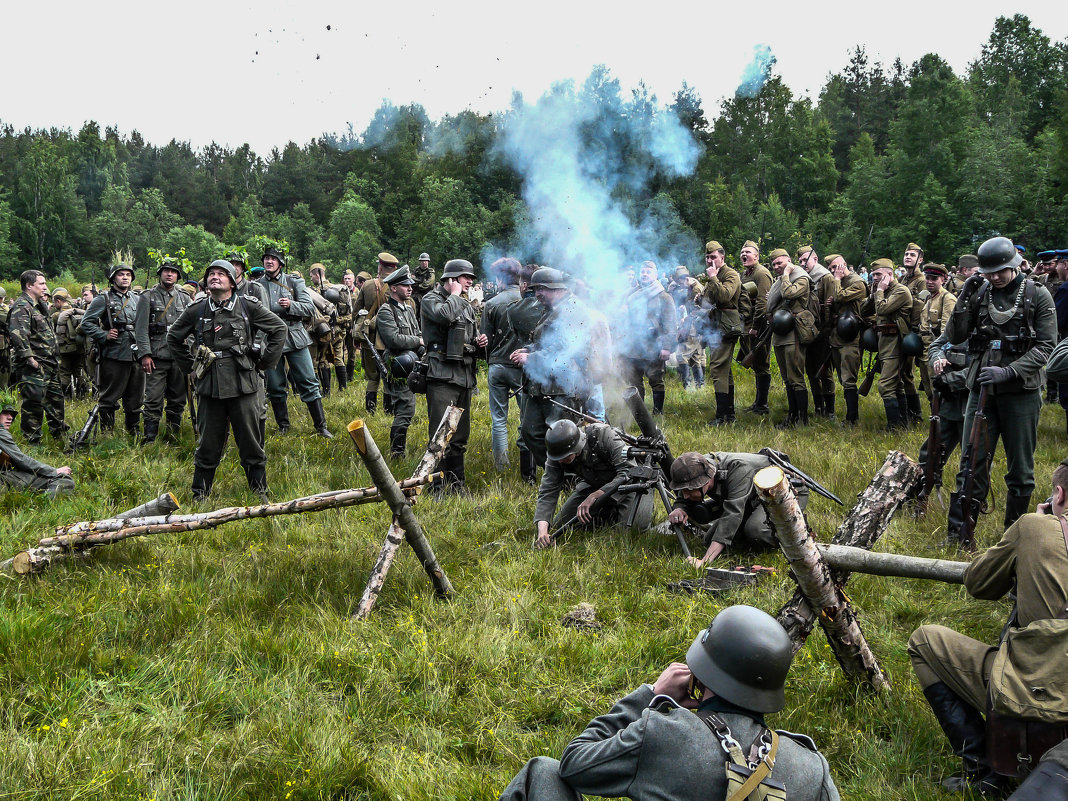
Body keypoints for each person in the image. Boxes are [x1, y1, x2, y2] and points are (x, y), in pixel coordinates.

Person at [498, 605, 840, 801]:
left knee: (542, 771)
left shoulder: (662, 733)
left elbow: (574, 763)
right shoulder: (813, 768)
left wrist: (650, 695)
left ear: (700, 677)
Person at [908, 459, 1068, 796]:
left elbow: (978, 583)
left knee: (924, 641)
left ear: (1058, 493)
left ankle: (983, 771)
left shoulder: (1035, 527)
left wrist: (1037, 526)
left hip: (1037, 692)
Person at [943, 236, 1056, 541]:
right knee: (971, 461)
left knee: (1021, 471)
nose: (994, 277)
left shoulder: (1037, 294)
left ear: (1016, 265)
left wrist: (1009, 371)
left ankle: (1013, 537)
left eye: (1000, 271)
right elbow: (955, 336)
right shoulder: (979, 293)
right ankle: (960, 533)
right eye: (989, 272)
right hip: (982, 391)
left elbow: (1047, 346)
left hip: (1021, 392)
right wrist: (964, 297)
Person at [167, 260, 288, 501]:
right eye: (211, 273)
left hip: (243, 383)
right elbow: (173, 338)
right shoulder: (198, 309)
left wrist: (264, 363)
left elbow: (279, 329)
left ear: (232, 281)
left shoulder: (247, 306)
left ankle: (259, 491)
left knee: (251, 442)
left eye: (221, 274)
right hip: (210, 386)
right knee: (208, 443)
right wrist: (190, 368)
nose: (215, 277)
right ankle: (200, 494)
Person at [511, 268, 609, 472]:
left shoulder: (573, 310)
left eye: (542, 289)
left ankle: (569, 477)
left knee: (562, 436)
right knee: (530, 433)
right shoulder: (552, 309)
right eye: (535, 289)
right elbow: (547, 343)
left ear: (558, 289)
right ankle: (557, 472)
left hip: (564, 386)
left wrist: (531, 358)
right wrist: (529, 349)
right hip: (541, 386)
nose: (537, 294)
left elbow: (568, 349)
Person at [666, 451, 809, 569]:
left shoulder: (739, 470)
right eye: (682, 491)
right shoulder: (697, 467)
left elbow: (732, 514)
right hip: (751, 498)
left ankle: (795, 526)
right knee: (709, 540)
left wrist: (705, 561)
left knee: (755, 531)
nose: (685, 495)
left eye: (689, 491)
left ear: (705, 482)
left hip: (782, 494)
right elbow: (686, 488)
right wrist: (680, 507)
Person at [421, 258, 488, 491]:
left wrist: (479, 343)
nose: (470, 281)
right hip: (441, 376)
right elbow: (445, 316)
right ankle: (435, 487)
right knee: (440, 435)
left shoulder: (465, 304)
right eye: (465, 277)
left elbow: (470, 337)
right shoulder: (431, 300)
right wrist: (456, 295)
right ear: (450, 279)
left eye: (470, 278)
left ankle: (457, 484)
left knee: (459, 437)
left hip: (463, 376)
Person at [532, 419, 647, 549]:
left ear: (576, 448)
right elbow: (548, 490)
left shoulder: (604, 436)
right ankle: (605, 513)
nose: (560, 462)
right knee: (561, 525)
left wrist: (595, 496)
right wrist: (542, 532)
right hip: (594, 483)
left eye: (565, 458)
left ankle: (611, 511)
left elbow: (628, 473)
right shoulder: (558, 453)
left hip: (632, 485)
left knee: (629, 533)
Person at [255, 246, 332, 438]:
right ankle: (283, 426)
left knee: (308, 381)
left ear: (281, 263)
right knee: (275, 385)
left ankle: (321, 426)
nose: (269, 261)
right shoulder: (256, 285)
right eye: (266, 258)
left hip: (294, 335)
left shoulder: (294, 281)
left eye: (273, 259)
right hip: (270, 338)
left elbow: (308, 308)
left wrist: (291, 305)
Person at [79, 263, 145, 436]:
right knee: (109, 397)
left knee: (136, 397)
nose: (125, 277)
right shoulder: (103, 299)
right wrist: (103, 334)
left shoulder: (137, 299)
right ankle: (107, 434)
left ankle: (134, 433)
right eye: (121, 274)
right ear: (113, 278)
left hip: (136, 353)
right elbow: (86, 323)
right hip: (114, 353)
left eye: (128, 275)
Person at [134, 257, 192, 442]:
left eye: (173, 272)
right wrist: (145, 354)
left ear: (178, 276)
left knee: (177, 399)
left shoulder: (184, 297)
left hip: (179, 357)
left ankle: (172, 435)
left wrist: (188, 346)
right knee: (153, 399)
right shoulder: (147, 296)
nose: (169, 274)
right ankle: (150, 438)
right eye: (166, 271)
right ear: (160, 274)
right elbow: (141, 329)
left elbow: (191, 327)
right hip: (157, 356)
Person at [7, 270, 67, 444]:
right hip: (35, 365)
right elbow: (18, 335)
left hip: (50, 363)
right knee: (34, 404)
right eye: (41, 283)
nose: (45, 287)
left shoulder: (38, 305)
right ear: (29, 285)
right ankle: (33, 442)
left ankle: (60, 436)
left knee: (56, 400)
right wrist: (30, 359)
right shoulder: (22, 306)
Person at [480, 258, 528, 472]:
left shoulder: (491, 304)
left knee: (499, 419)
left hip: (497, 366)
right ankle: (528, 463)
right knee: (526, 416)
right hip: (521, 367)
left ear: (500, 278)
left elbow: (485, 341)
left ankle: (502, 466)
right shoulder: (526, 300)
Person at [375, 265, 423, 458]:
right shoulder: (386, 312)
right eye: (405, 285)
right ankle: (397, 453)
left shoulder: (409, 309)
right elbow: (393, 339)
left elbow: (417, 332)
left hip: (413, 362)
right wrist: (418, 341)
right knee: (405, 408)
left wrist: (422, 343)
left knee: (407, 408)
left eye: (410, 284)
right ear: (393, 288)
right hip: (398, 366)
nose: (410, 288)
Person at [617, 261, 676, 415]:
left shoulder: (664, 297)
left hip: (653, 345)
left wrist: (666, 347)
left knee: (656, 380)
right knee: (635, 381)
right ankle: (639, 412)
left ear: (655, 275)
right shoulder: (631, 295)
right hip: (633, 345)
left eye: (648, 272)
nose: (644, 274)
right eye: (642, 271)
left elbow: (670, 324)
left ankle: (658, 412)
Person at [862, 258, 913, 430]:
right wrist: (873, 294)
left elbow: (882, 309)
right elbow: (863, 310)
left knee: (885, 385)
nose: (874, 277)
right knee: (896, 384)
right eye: (873, 274)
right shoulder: (880, 291)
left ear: (890, 274)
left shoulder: (900, 291)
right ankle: (902, 425)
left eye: (878, 274)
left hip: (895, 343)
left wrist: (880, 292)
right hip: (883, 343)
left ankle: (893, 426)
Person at [765, 248, 813, 427]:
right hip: (779, 332)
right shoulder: (778, 281)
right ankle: (792, 416)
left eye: (780, 263)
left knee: (796, 377)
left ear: (789, 261)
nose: (777, 267)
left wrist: (786, 274)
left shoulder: (801, 277)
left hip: (794, 332)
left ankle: (802, 419)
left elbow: (789, 293)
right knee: (786, 378)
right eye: (774, 264)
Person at [699, 242, 742, 424]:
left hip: (726, 326)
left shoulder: (730, 274)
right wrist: (700, 298)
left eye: (714, 257)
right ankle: (729, 414)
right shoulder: (712, 275)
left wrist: (714, 278)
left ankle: (722, 416)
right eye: (708, 257)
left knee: (717, 368)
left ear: (722, 258)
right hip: (715, 325)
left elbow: (725, 296)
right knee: (724, 370)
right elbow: (707, 302)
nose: (710, 260)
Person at [0, 399, 74, 497]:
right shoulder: (1, 432)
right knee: (64, 479)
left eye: (11, 414)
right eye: (5, 413)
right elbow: (21, 460)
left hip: (7, 478)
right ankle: (45, 502)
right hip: (5, 480)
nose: (10, 417)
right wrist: (54, 471)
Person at [354, 252, 398, 414]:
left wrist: (356, 335)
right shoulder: (397, 286)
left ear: (380, 267)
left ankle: (370, 410)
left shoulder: (367, 286)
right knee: (389, 375)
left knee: (372, 378)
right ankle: (389, 410)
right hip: (391, 339)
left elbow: (356, 312)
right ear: (393, 269)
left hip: (369, 338)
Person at [826, 254, 867, 425]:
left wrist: (835, 281)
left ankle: (852, 419)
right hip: (837, 335)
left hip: (850, 336)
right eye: (831, 269)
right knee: (842, 378)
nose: (835, 271)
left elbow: (842, 297)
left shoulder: (857, 282)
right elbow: (836, 301)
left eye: (836, 267)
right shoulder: (839, 283)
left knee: (849, 378)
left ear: (844, 265)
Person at [797, 246, 837, 418]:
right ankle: (818, 407)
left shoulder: (825, 277)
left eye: (805, 260)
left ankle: (830, 410)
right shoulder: (802, 278)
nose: (803, 264)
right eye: (799, 261)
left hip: (824, 329)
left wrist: (827, 331)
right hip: (808, 330)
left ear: (815, 258)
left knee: (825, 370)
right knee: (811, 369)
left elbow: (831, 305)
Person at [737, 240, 774, 414]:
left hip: (758, 325)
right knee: (756, 364)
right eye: (742, 252)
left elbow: (762, 302)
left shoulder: (762, 273)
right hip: (746, 323)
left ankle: (762, 405)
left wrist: (757, 326)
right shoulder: (744, 274)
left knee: (762, 363)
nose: (744, 255)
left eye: (748, 252)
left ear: (757, 256)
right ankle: (758, 403)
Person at [900, 242, 927, 424]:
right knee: (902, 373)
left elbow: (921, 307)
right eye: (907, 254)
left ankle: (915, 414)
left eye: (912, 254)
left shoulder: (922, 280)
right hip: (901, 329)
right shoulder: (903, 280)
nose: (908, 257)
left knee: (907, 374)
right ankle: (907, 412)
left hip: (913, 330)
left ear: (920, 260)